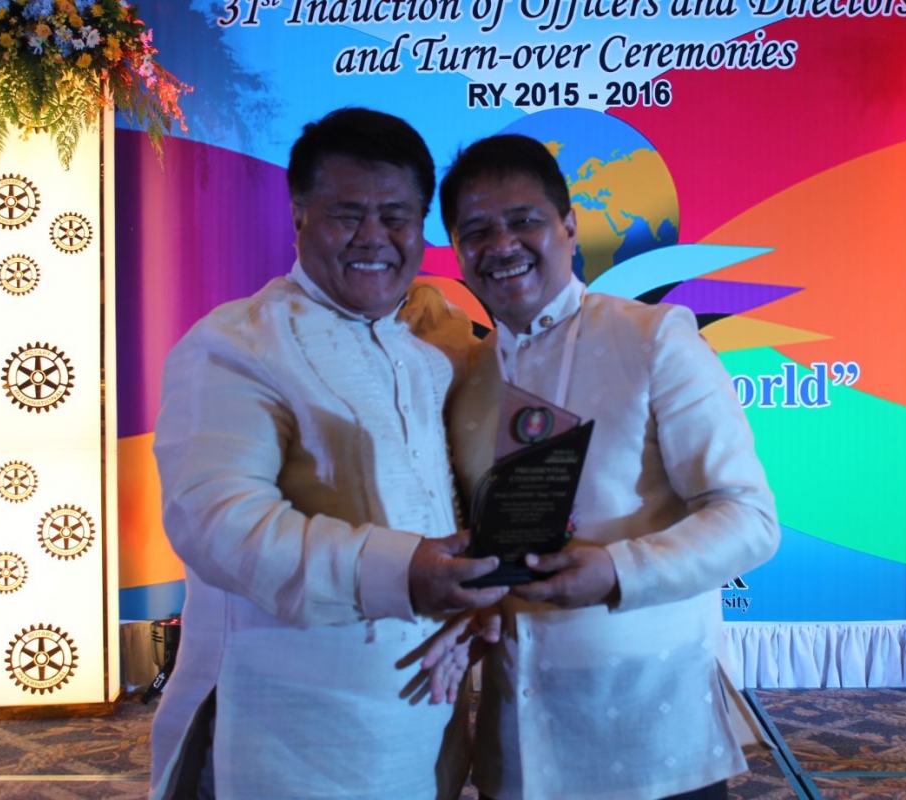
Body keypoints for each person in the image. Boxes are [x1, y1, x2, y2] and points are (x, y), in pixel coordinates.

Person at [148, 107, 508, 800]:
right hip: (284, 737)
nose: (374, 237)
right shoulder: (236, 345)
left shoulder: (437, 345)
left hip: (427, 731)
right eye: (348, 214)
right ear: (298, 217)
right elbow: (220, 526)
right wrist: (405, 572)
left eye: (396, 216)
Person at [436, 134, 781, 800]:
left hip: (651, 730)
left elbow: (749, 518)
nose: (501, 244)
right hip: (515, 740)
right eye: (476, 231)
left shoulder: (652, 339)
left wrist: (619, 571)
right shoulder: (468, 374)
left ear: (568, 227)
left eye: (523, 220)